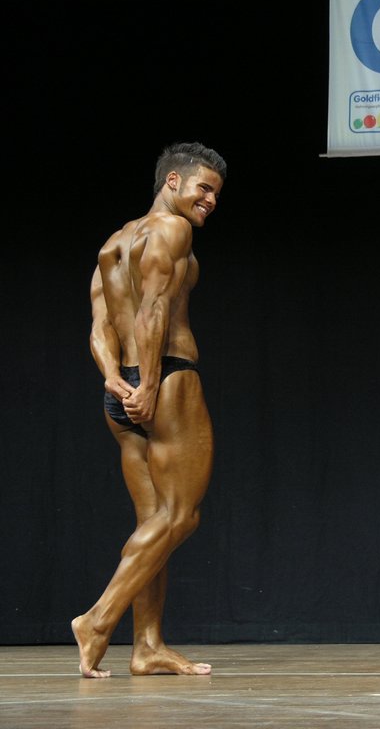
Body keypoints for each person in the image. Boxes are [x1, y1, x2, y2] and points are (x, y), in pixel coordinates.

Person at [72, 142, 226, 678]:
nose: (210, 200)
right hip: (167, 380)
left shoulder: (113, 244)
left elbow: (100, 325)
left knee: (153, 522)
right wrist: (153, 384)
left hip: (121, 389)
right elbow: (155, 308)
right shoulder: (172, 230)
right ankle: (97, 620)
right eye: (204, 188)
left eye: (216, 194)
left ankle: (147, 646)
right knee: (181, 515)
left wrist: (114, 378)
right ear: (172, 182)